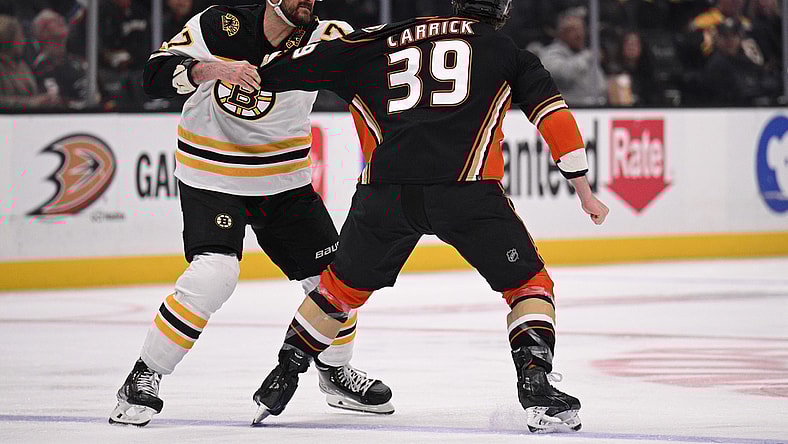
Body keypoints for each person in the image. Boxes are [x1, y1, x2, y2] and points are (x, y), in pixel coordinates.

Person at [250, 0, 609, 433]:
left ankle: (283, 375)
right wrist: (583, 188)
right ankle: (535, 383)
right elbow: (553, 117)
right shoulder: (507, 50)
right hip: (467, 191)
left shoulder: (377, 39)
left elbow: (290, 68)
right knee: (528, 285)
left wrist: (241, 71)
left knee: (337, 291)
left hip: (385, 193)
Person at [108, 0, 394, 427]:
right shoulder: (219, 23)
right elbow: (152, 76)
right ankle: (142, 377)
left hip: (283, 180)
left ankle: (334, 372)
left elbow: (385, 71)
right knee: (214, 275)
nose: (309, 2)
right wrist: (211, 70)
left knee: (337, 279)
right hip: (212, 173)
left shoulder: (327, 35)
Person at [540, 11, 607, 106]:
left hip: (596, 109)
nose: (579, 34)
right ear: (562, 33)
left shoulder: (585, 53)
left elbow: (601, 84)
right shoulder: (551, 53)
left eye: (581, 29)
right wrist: (587, 57)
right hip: (570, 109)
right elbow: (563, 74)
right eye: (573, 30)